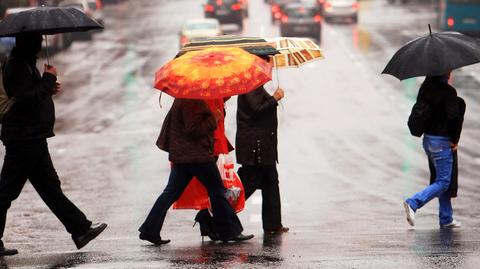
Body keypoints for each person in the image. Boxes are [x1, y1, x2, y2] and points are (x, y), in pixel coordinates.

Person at [0, 33, 107, 256]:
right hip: (23, 139)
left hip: (34, 137)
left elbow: (31, 95)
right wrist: (47, 80)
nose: (40, 44)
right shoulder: (16, 66)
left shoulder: (26, 64)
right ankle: (80, 229)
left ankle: (80, 230)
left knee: (50, 188)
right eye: (37, 40)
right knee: (6, 192)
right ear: (29, 43)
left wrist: (47, 85)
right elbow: (25, 99)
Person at [139, 98, 253, 244]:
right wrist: (213, 119)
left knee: (170, 193)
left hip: (184, 157)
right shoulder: (191, 100)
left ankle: (149, 230)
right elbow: (193, 129)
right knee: (217, 191)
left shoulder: (184, 98)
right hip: (197, 157)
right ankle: (229, 231)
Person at [403, 73, 464, 228]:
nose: (451, 72)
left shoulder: (426, 88)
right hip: (442, 142)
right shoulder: (448, 92)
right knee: (443, 182)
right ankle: (413, 202)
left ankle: (446, 218)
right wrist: (454, 140)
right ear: (444, 73)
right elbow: (453, 117)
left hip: (428, 140)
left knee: (440, 178)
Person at [235, 85, 289, 235]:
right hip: (255, 146)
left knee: (271, 183)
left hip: (264, 146)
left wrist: (272, 99)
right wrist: (274, 99)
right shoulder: (250, 87)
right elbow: (256, 110)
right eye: (267, 63)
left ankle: (273, 224)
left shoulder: (256, 86)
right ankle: (214, 217)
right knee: (248, 184)